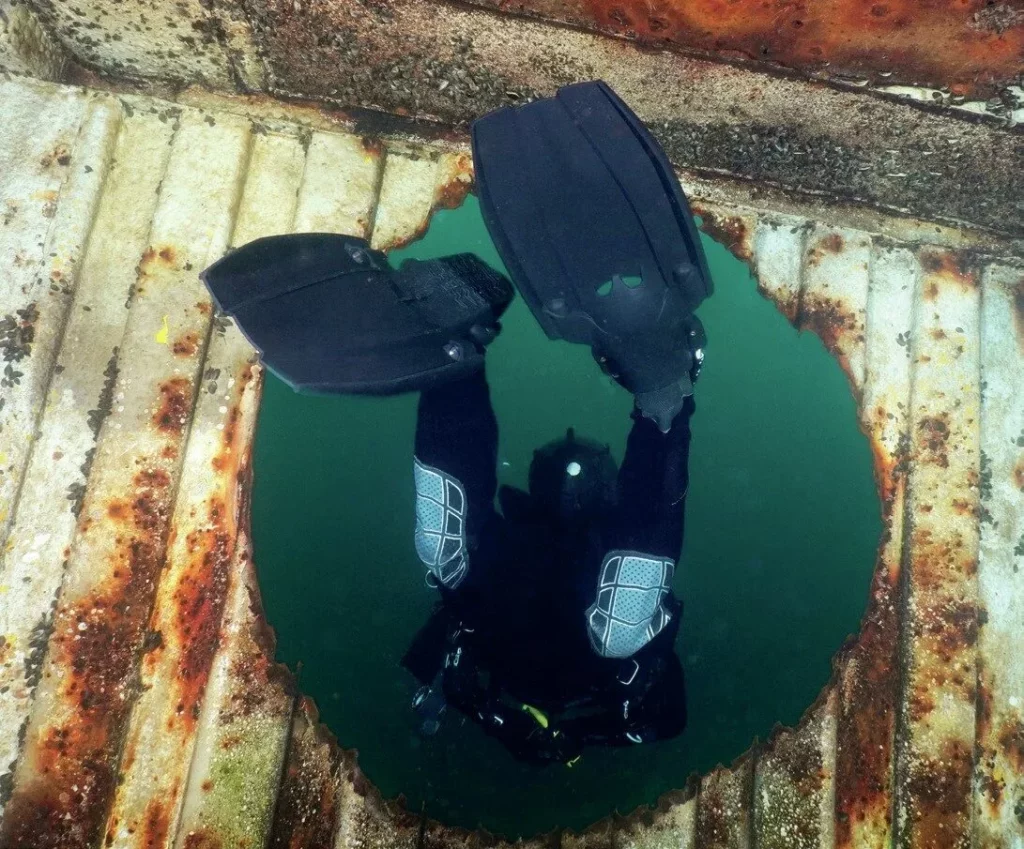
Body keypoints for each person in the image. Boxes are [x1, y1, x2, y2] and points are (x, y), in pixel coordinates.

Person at [201, 80, 713, 765]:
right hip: (533, 626)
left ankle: (461, 364)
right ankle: (658, 399)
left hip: (532, 637)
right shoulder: (538, 563)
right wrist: (557, 731)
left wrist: (541, 730)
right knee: (594, 614)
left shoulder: (538, 587)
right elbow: (658, 712)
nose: (570, 486)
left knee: (456, 559)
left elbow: (664, 716)